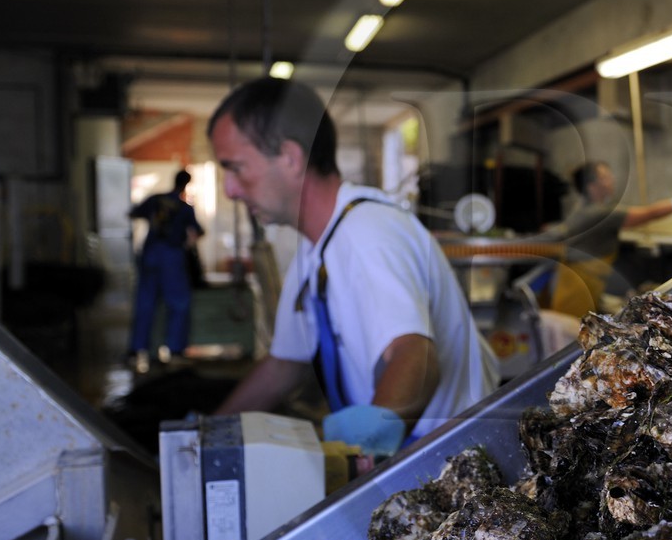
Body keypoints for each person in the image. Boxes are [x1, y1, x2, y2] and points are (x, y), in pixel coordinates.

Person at [208, 77, 498, 458]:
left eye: (236, 168)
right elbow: (284, 365)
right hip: (411, 455)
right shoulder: (316, 249)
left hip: (450, 462)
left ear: (290, 158)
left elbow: (416, 360)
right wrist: (210, 435)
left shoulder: (366, 234)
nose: (230, 189)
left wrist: (359, 458)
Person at [544, 160, 672, 319]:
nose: (612, 180)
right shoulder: (599, 213)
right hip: (576, 294)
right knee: (574, 335)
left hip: (577, 285)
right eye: (605, 177)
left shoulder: (584, 209)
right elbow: (650, 213)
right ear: (591, 185)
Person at [128, 169, 203, 369]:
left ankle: (136, 349)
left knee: (145, 302)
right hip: (172, 256)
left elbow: (133, 213)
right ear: (186, 184)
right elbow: (198, 231)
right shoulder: (184, 207)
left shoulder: (155, 200)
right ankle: (175, 349)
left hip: (150, 254)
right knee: (179, 302)